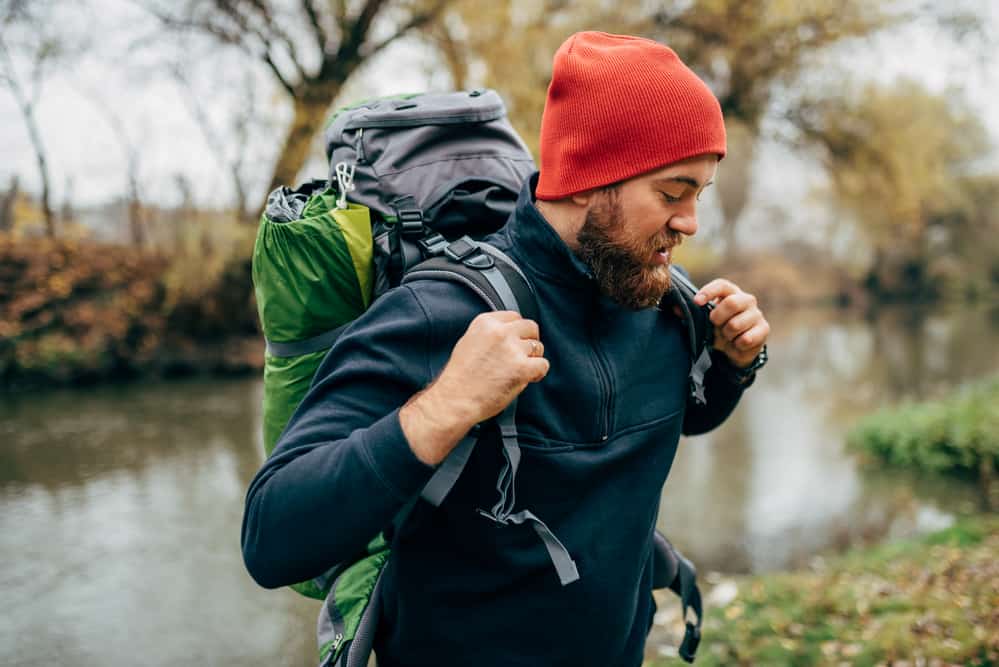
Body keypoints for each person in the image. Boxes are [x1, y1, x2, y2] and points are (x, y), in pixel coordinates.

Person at [242, 31, 770, 667]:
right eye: (671, 192)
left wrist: (731, 368)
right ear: (587, 180)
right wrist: (444, 408)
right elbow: (272, 537)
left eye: (698, 194)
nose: (690, 221)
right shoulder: (443, 312)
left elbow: (669, 416)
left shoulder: (659, 300)